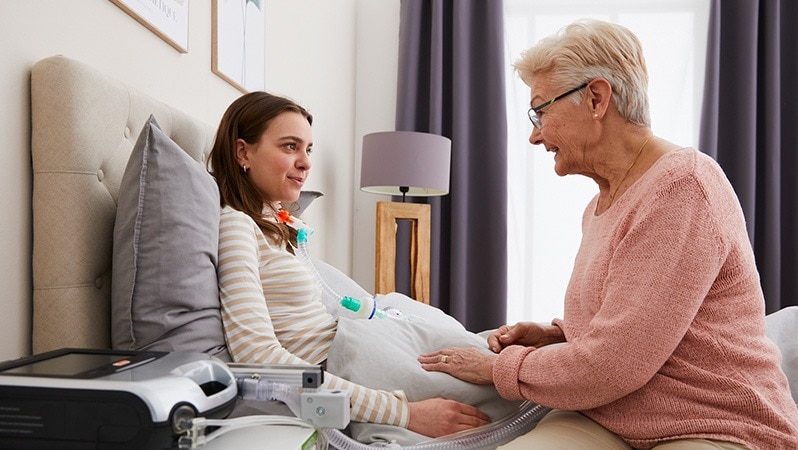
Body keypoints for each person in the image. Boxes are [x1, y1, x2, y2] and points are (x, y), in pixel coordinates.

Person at [419, 19, 798, 449]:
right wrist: (556, 334)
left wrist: (498, 369)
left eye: (540, 110)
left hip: (712, 422)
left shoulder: (682, 188)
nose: (534, 134)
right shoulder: (600, 205)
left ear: (597, 99)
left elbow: (616, 363)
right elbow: (634, 318)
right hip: (612, 415)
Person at [207, 91, 491, 439]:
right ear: (243, 152)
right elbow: (257, 355)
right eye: (289, 146)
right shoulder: (238, 225)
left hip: (360, 344)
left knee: (497, 361)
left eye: (308, 149)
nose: (306, 163)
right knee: (509, 393)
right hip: (346, 362)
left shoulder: (277, 225)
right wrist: (405, 413)